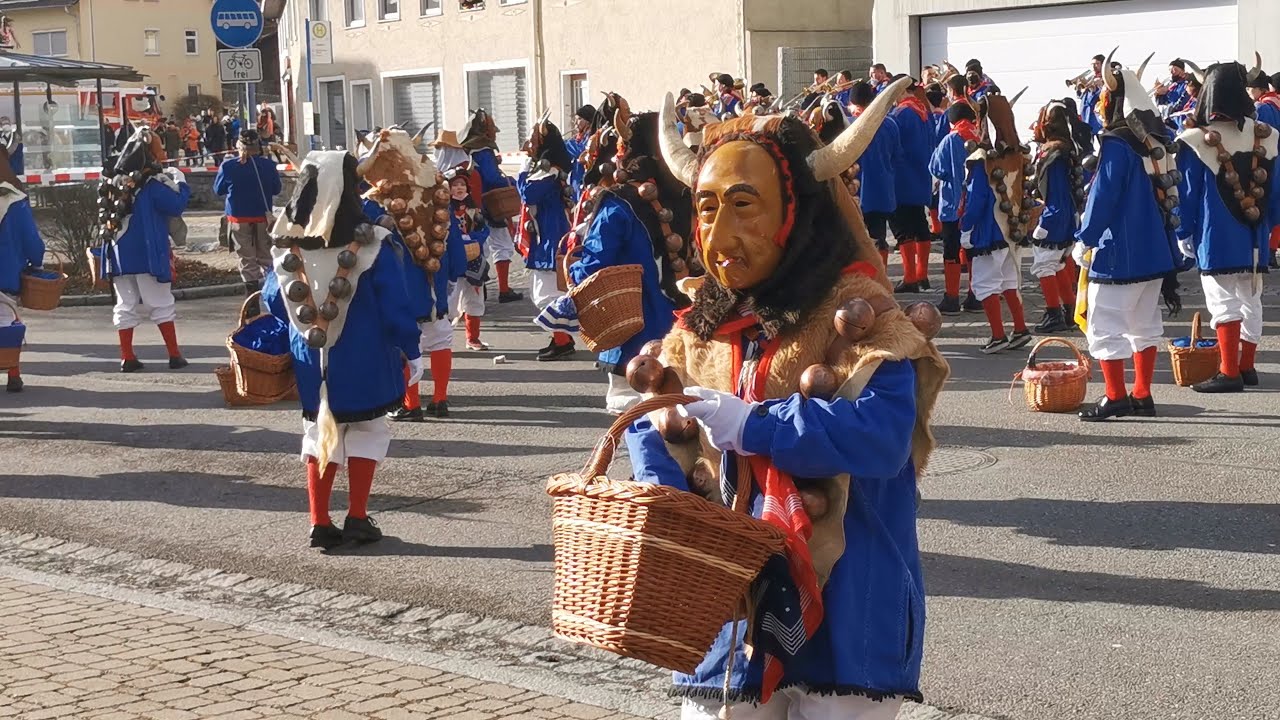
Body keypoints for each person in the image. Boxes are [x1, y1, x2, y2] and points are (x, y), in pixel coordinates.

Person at [651, 76, 948, 719]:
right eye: (706, 207)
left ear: (794, 210)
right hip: (729, 611)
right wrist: (669, 497)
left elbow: (882, 436)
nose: (720, 236)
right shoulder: (699, 324)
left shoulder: (863, 316)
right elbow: (658, 436)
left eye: (743, 204)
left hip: (846, 610)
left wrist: (757, 425)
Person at [263, 150, 421, 550]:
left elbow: (271, 301)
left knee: (319, 432)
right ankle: (356, 516)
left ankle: (319, 521)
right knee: (366, 430)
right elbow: (396, 305)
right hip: (367, 357)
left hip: (311, 361)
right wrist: (411, 349)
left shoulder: (285, 249)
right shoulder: (375, 244)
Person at [1074, 52, 1182, 421]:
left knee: (1106, 326)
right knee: (1145, 325)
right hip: (1155, 251)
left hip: (1118, 250)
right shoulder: (1160, 142)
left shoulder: (1117, 143)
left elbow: (1103, 195)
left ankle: (1116, 396)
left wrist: (1085, 237)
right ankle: (1142, 393)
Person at [561, 112, 686, 413]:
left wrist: (573, 275)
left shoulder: (619, 202)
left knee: (636, 417)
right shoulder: (681, 195)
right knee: (677, 411)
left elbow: (596, 258)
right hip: (678, 323)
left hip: (632, 327)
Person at [1175, 60, 1280, 393]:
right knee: (1251, 297)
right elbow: (1276, 191)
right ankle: (1246, 367)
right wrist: (1269, 228)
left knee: (1222, 300)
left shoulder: (1196, 139)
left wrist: (1183, 232)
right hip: (1255, 232)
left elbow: (1188, 193)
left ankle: (1229, 371)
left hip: (1216, 234)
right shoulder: (1266, 136)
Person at [98, 126, 192, 372]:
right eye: (159, 149)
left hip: (119, 255)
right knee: (160, 302)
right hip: (148, 253)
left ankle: (127, 357)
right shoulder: (151, 184)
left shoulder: (112, 182)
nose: (162, 154)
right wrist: (181, 181)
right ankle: (174, 355)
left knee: (125, 303)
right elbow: (176, 205)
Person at [960, 95, 1033, 354]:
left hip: (989, 231)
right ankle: (1020, 328)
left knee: (985, 283)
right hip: (1012, 228)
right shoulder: (1016, 152)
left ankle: (999, 335)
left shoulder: (983, 159)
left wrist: (966, 227)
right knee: (1009, 280)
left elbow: (978, 198)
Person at [517, 118, 575, 360]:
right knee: (546, 293)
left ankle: (562, 340)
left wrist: (521, 171)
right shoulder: (552, 168)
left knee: (546, 295)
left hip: (550, 238)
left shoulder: (547, 170)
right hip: (549, 233)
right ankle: (561, 338)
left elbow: (527, 194)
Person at [1029, 102, 1085, 333]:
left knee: (1044, 265)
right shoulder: (1066, 147)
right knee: (1060, 262)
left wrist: (1046, 220)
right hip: (1069, 213)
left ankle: (1054, 314)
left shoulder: (1052, 152)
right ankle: (1070, 311)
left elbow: (1053, 191)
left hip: (1055, 214)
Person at [214, 129, 283, 311]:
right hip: (262, 218)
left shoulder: (228, 166)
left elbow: (218, 190)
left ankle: (252, 306)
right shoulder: (268, 166)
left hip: (238, 218)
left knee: (247, 260)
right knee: (267, 259)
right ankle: (275, 300)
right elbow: (276, 189)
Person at [459, 110, 524, 304]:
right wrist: (510, 182)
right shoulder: (483, 150)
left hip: (472, 204)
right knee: (501, 244)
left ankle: (480, 288)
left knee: (479, 247)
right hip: (492, 204)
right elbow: (492, 178)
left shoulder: (465, 150)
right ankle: (503, 289)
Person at [0, 135, 44, 392]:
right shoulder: (14, 201)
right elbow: (32, 241)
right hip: (5, 274)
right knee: (6, 321)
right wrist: (36, 263)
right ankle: (13, 374)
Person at [930, 102, 979, 315]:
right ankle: (975, 295)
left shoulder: (950, 139)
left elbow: (935, 167)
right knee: (974, 252)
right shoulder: (979, 138)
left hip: (952, 203)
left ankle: (951, 297)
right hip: (975, 204)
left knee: (951, 251)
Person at [848, 81, 901, 269]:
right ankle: (882, 277)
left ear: (855, 103)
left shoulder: (850, 125)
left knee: (858, 241)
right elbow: (897, 156)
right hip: (883, 189)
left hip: (858, 191)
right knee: (879, 237)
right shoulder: (890, 123)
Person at [890, 78, 936, 293]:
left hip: (902, 178)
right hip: (921, 176)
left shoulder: (900, 114)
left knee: (902, 229)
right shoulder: (925, 112)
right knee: (920, 224)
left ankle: (910, 278)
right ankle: (922, 275)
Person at [446, 169, 492, 352]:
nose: (459, 188)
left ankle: (472, 338)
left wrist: (475, 239)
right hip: (452, 261)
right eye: (455, 185)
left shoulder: (474, 209)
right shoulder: (444, 210)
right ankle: (443, 341)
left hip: (474, 260)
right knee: (449, 301)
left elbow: (484, 230)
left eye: (462, 185)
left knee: (475, 298)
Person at [564, 104, 598, 202]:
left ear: (588, 121)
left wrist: (563, 143)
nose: (575, 122)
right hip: (575, 181)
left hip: (585, 181)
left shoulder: (592, 136)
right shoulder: (580, 137)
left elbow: (580, 151)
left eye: (579, 119)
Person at [1155, 59, 1195, 131]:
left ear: (1182, 70)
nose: (1171, 72)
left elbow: (1183, 101)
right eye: (1170, 69)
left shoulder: (1187, 83)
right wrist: (1159, 95)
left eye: (1174, 69)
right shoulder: (1171, 87)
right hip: (1169, 120)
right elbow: (1161, 105)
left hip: (1182, 118)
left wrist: (1170, 110)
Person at [1077, 54, 1106, 135]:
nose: (1094, 66)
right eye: (1092, 64)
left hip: (1097, 116)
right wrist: (1079, 88)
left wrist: (1097, 88)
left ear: (1103, 65)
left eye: (1097, 64)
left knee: (1101, 138)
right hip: (1086, 114)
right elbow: (1081, 96)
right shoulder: (1091, 77)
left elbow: (1104, 94)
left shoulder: (1105, 78)